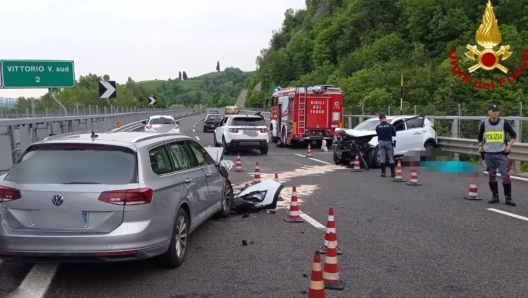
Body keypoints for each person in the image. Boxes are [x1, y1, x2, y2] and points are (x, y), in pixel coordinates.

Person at [478, 104, 517, 206]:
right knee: (491, 175)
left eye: (497, 110)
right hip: (488, 154)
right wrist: (480, 146)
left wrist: (508, 146)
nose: (495, 112)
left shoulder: (504, 123)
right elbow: (480, 136)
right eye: (493, 110)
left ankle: (508, 198)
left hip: (501, 153)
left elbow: (514, 135)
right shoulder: (484, 123)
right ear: (489, 112)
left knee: (505, 175)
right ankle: (495, 196)